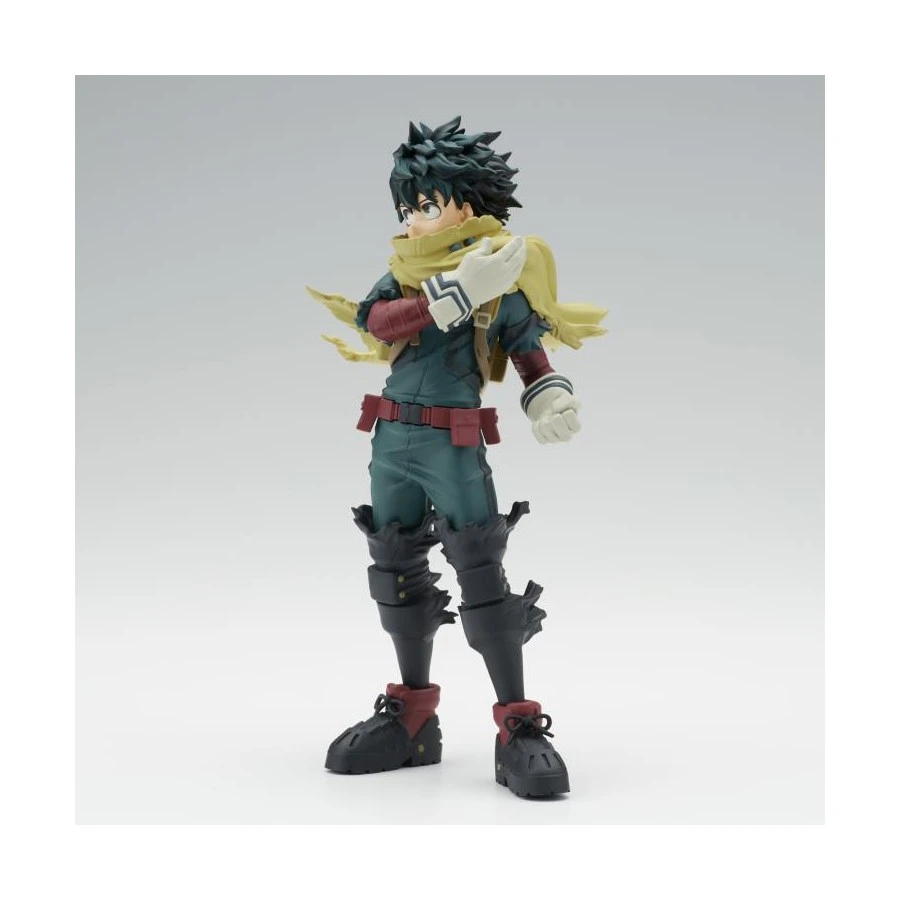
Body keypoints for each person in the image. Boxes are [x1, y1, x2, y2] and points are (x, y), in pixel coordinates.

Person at [307, 115, 606, 797]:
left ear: (467, 208)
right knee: (394, 567)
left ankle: (517, 724)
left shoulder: (501, 280)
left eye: (426, 205)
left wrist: (550, 398)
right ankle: (412, 715)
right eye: (406, 209)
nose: (413, 221)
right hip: (391, 440)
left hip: (454, 441)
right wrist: (452, 294)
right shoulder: (407, 278)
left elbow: (530, 355)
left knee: (479, 570)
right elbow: (376, 321)